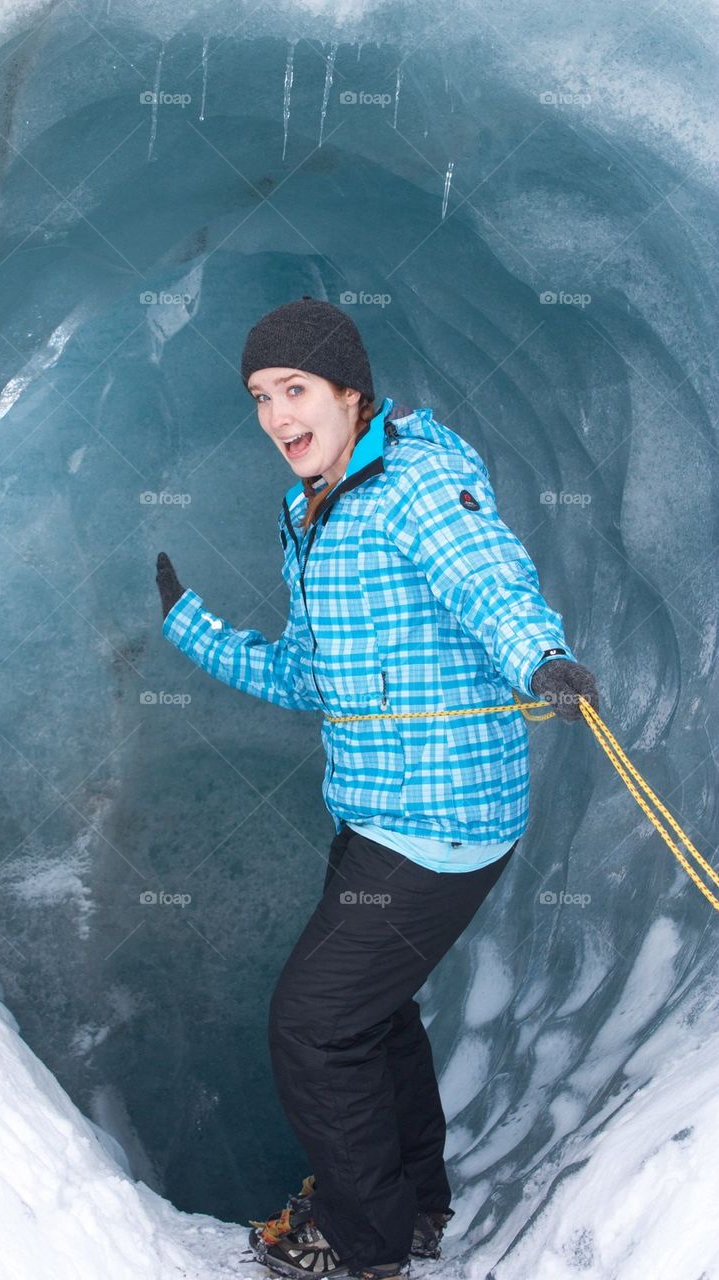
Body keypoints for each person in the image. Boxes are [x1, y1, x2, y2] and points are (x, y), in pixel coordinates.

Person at [156, 297, 600, 1280]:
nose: (277, 414)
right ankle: (413, 1206)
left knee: (313, 1025)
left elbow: (490, 581)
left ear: (351, 392)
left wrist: (543, 659)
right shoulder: (309, 511)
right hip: (373, 811)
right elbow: (309, 674)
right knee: (373, 1013)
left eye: (296, 388)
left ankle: (364, 1244)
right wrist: (193, 629)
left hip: (443, 817)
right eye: (261, 395)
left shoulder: (418, 480)